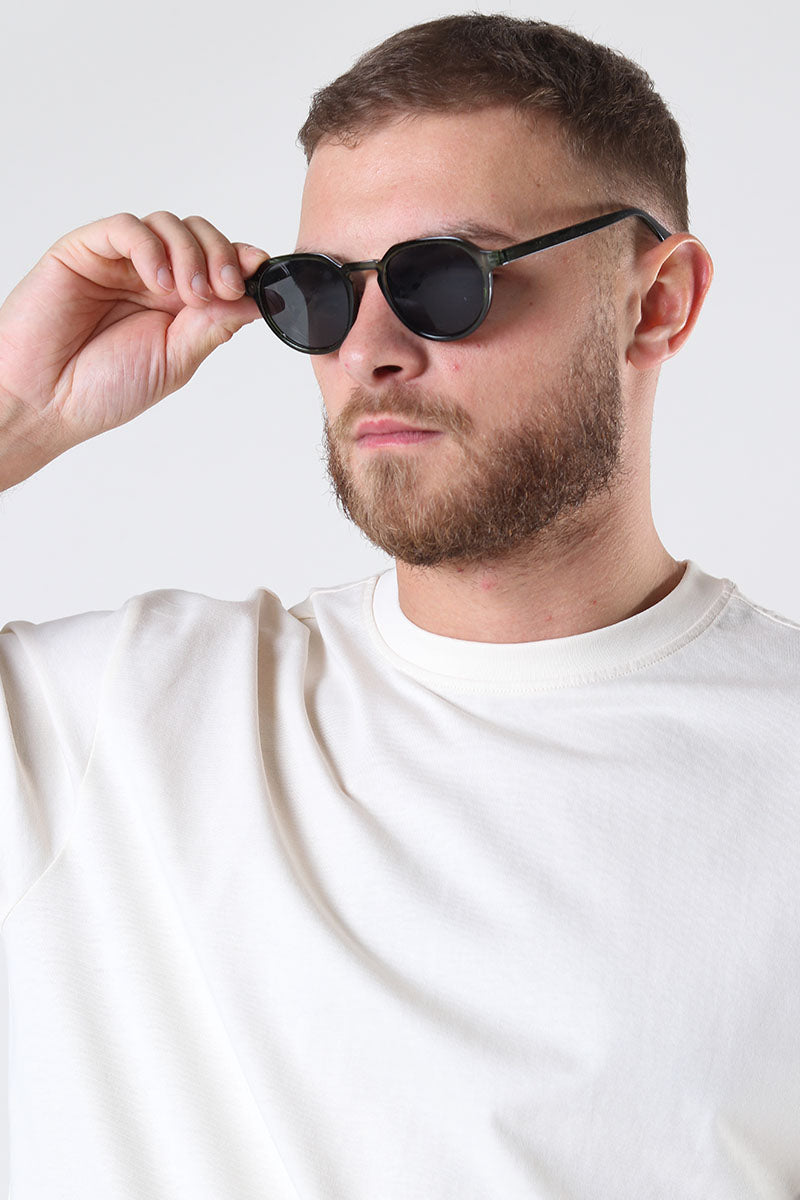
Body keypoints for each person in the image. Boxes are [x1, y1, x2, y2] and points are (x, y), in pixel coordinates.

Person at [1, 13, 798, 1199]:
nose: (367, 348)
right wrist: (15, 410)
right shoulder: (121, 727)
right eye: (316, 293)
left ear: (655, 303)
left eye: (442, 281)